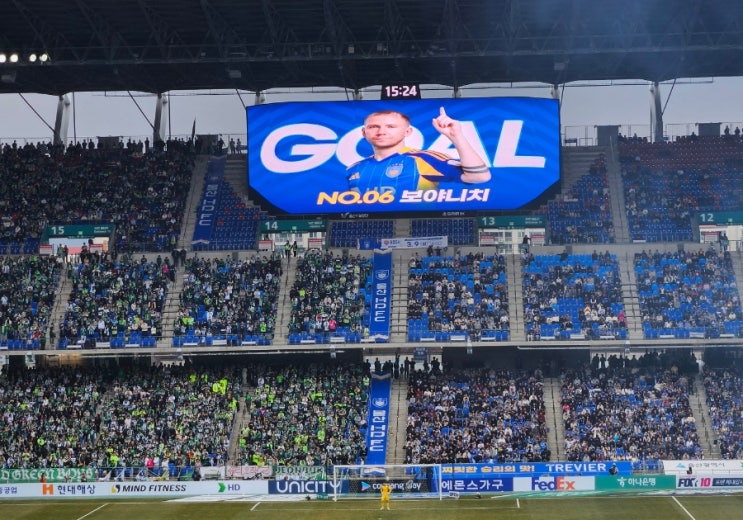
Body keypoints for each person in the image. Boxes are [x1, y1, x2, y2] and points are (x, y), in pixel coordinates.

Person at [347, 107, 491, 196]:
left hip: (418, 227)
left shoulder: (424, 159)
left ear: (408, 132)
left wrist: (456, 136)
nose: (381, 132)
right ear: (364, 132)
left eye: (391, 127)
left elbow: (480, 177)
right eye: (373, 127)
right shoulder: (354, 168)